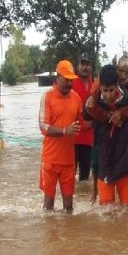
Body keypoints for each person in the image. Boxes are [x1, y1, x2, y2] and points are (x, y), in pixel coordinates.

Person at [84, 65, 128, 206]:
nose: (108, 95)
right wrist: (88, 106)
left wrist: (122, 113)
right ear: (100, 88)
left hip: (124, 160)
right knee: (105, 210)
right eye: (105, 90)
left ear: (117, 86)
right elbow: (85, 115)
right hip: (104, 162)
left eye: (111, 90)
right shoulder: (94, 100)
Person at [38, 60, 84, 213]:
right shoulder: (47, 96)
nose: (70, 83)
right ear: (58, 77)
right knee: (48, 205)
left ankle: (68, 236)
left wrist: (94, 111)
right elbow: (43, 127)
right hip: (50, 161)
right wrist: (65, 131)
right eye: (66, 79)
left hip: (68, 161)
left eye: (71, 80)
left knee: (69, 207)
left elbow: (82, 123)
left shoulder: (76, 98)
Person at [71, 53, 94, 181]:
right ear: (77, 66)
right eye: (82, 64)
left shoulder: (95, 85)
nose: (85, 67)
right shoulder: (71, 83)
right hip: (73, 139)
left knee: (85, 180)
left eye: (87, 64)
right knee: (69, 176)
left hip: (89, 140)